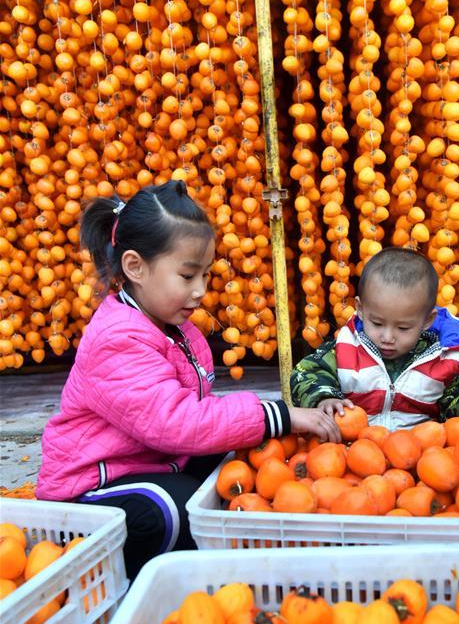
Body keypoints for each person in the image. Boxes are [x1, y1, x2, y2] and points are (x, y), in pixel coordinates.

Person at [37, 180, 340, 578]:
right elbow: (174, 422)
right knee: (178, 507)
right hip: (91, 489)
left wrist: (262, 423)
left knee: (240, 452)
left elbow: (200, 416)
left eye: (205, 276)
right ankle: (141, 578)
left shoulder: (170, 325)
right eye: (186, 276)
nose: (199, 292)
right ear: (135, 267)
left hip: (152, 459)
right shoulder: (118, 338)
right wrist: (277, 413)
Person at [291, 247, 459, 430]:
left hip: (421, 460)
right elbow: (306, 374)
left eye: (403, 328)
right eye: (377, 323)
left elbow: (457, 418)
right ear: (360, 309)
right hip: (352, 453)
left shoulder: (443, 360)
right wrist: (323, 398)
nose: (387, 337)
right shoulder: (344, 350)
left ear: (427, 320)